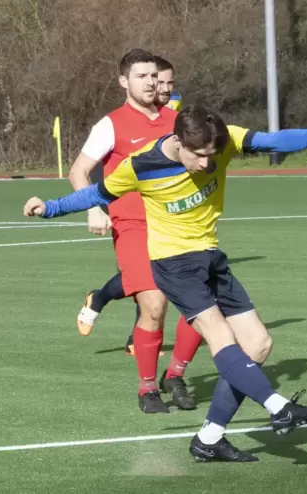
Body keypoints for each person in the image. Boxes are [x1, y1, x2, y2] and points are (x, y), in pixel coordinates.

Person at [24, 105, 307, 461]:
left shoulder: (222, 142)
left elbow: (273, 139)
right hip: (173, 263)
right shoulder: (140, 164)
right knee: (220, 337)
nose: (206, 164)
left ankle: (209, 439)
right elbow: (95, 194)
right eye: (198, 156)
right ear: (178, 141)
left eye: (213, 156)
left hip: (211, 257)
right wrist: (50, 208)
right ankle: (279, 407)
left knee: (257, 344)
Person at [69, 49, 196, 413]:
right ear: (124, 81)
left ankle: (175, 375)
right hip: (133, 225)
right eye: (141, 76)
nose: (151, 82)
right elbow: (79, 171)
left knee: (200, 304)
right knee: (154, 304)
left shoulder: (177, 120)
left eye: (154, 76)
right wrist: (93, 207)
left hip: (177, 223)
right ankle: (147, 388)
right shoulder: (111, 124)